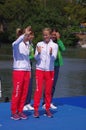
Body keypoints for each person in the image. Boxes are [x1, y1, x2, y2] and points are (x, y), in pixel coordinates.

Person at [33, 28, 58, 118]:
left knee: (48, 91)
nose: (45, 36)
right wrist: (38, 53)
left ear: (50, 35)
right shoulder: (39, 44)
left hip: (50, 71)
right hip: (40, 70)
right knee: (38, 90)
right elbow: (36, 58)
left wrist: (51, 54)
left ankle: (47, 109)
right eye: (44, 35)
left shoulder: (54, 45)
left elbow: (54, 58)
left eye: (47, 35)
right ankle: (36, 109)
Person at [11, 31, 32, 120]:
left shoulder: (27, 45)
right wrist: (25, 34)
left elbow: (27, 59)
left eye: (28, 35)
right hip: (18, 70)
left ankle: (20, 111)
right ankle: (14, 112)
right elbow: (18, 41)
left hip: (26, 71)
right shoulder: (15, 45)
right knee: (17, 91)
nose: (28, 37)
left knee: (24, 92)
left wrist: (29, 70)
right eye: (26, 35)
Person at [42, 29, 66, 109]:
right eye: (52, 34)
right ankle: (44, 102)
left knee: (53, 85)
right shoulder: (48, 43)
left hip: (56, 65)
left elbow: (63, 49)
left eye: (55, 35)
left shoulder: (57, 43)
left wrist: (59, 39)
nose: (53, 36)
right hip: (49, 66)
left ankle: (49, 101)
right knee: (47, 84)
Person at [23, 31, 35, 111]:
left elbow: (32, 56)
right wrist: (33, 56)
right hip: (24, 67)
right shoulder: (24, 44)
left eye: (32, 35)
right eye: (30, 35)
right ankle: (23, 103)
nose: (31, 36)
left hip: (30, 66)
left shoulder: (32, 44)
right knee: (24, 85)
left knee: (30, 85)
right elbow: (25, 56)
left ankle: (28, 103)